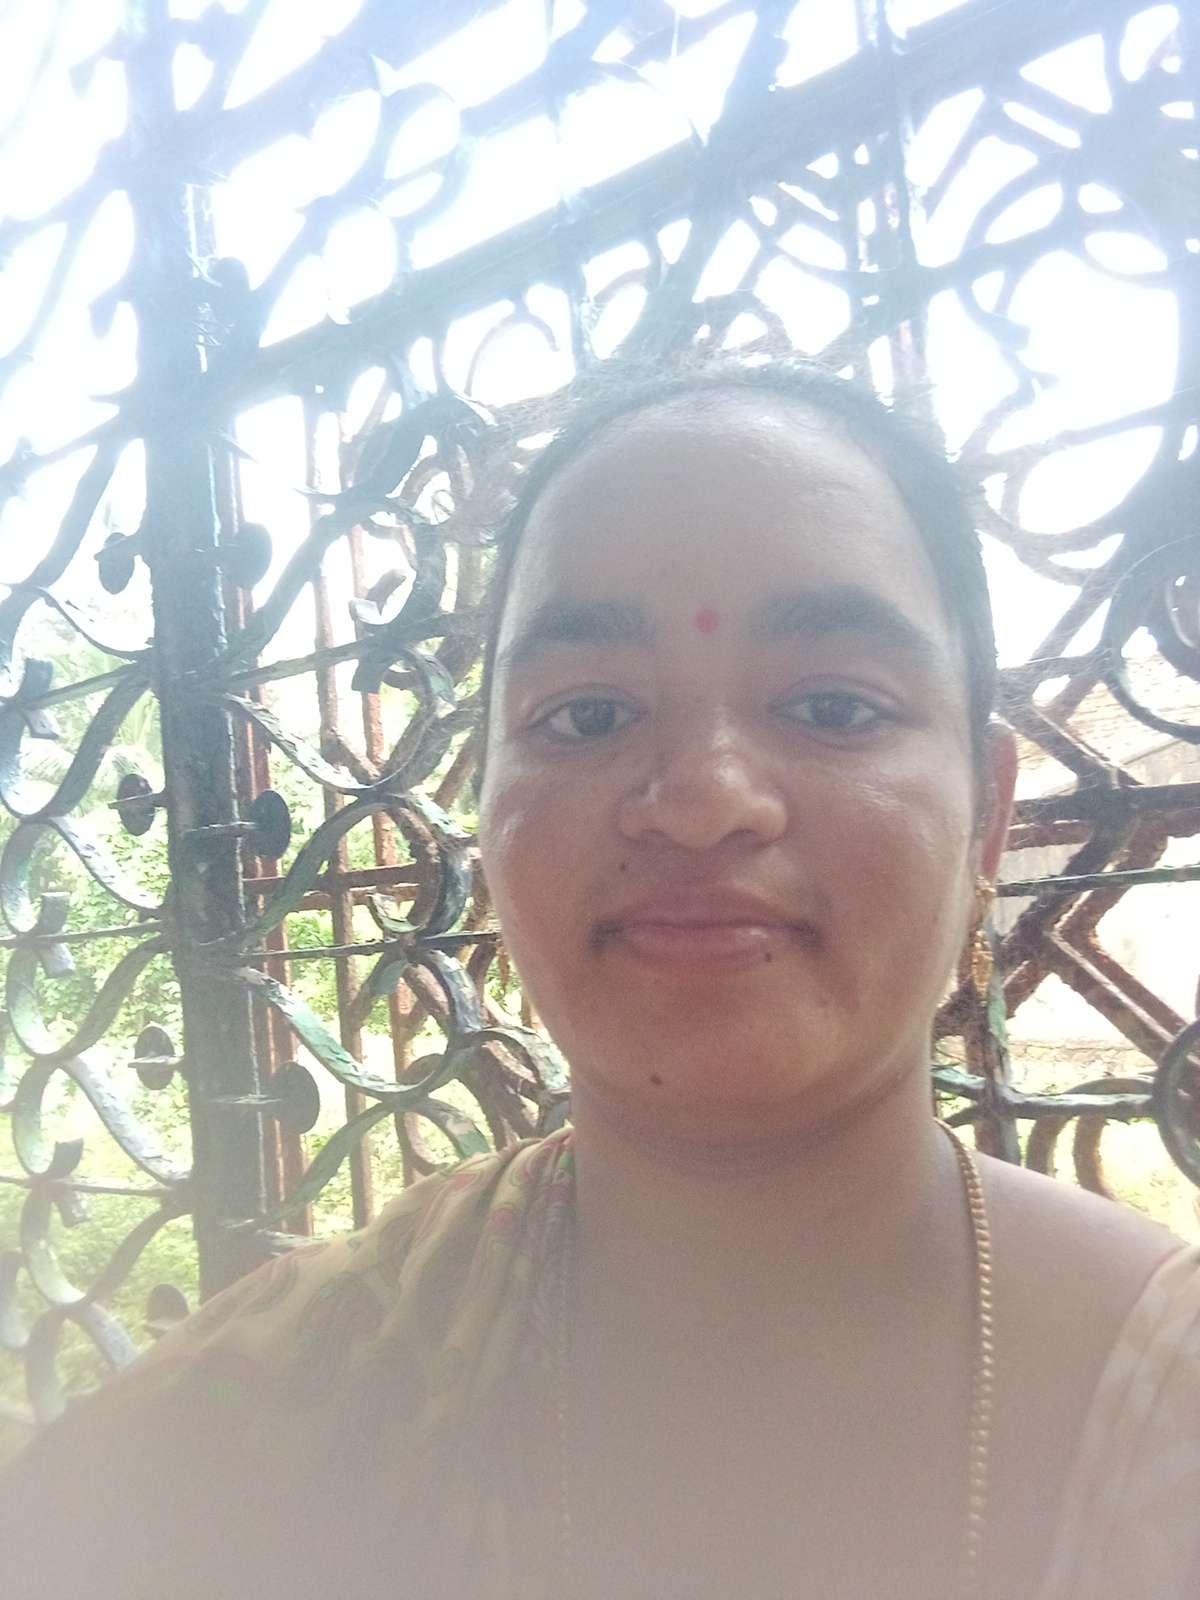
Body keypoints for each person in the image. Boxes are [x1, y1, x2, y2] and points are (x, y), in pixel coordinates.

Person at [2, 353, 1198, 1600]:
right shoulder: (292, 1391)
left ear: (988, 819)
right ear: (482, 814)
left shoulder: (1164, 1417)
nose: (703, 799)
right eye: (585, 715)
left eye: (835, 705)